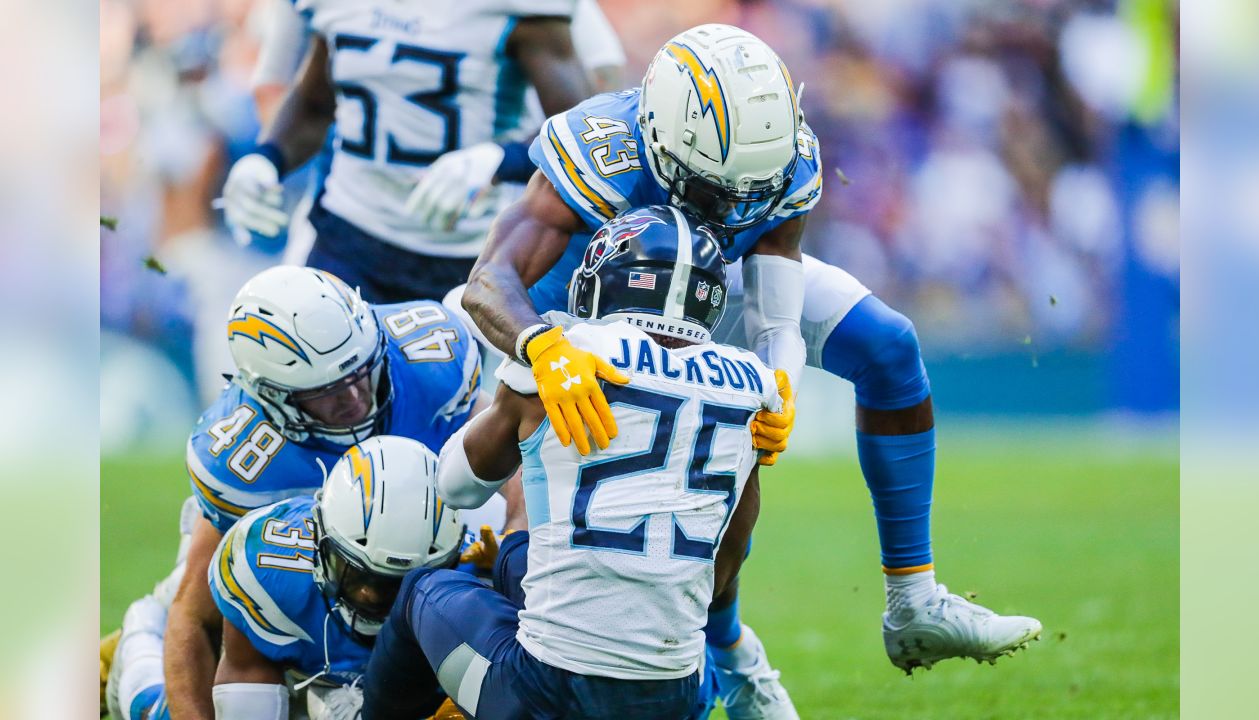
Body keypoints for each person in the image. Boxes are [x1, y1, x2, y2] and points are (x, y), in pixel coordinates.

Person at [461, 21, 1042, 704]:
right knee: (535, 524)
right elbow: (488, 282)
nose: (739, 208)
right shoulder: (602, 150)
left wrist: (779, 386)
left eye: (753, 192)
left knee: (887, 348)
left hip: (709, 289)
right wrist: (543, 347)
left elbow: (776, 311)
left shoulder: (780, 156)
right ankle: (725, 653)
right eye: (719, 192)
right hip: (579, 308)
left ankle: (912, 603)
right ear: (659, 140)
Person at [361, 205, 778, 720]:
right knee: (516, 559)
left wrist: (514, 389)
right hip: (673, 696)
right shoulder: (754, 384)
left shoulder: (571, 350)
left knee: (425, 591)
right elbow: (723, 572)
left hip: (546, 692)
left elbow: (456, 485)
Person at [102, 266, 512, 720]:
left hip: (431, 517)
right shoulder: (243, 463)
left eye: (362, 372)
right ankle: (138, 657)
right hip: (303, 553)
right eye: (327, 393)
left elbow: (510, 450)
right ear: (271, 395)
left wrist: (515, 544)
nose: (355, 399)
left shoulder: (429, 359)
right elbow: (196, 615)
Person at [218, 0, 607, 303]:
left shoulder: (520, 11)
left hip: (466, 255)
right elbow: (315, 103)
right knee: (313, 395)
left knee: (440, 400)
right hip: (348, 233)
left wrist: (500, 159)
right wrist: (266, 157)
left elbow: (583, 131)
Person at [113, 436, 475, 720]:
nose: (368, 593)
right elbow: (247, 685)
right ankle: (142, 637)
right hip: (293, 671)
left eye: (394, 585)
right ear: (320, 541)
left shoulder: (480, 585)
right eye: (356, 572)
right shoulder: (267, 567)